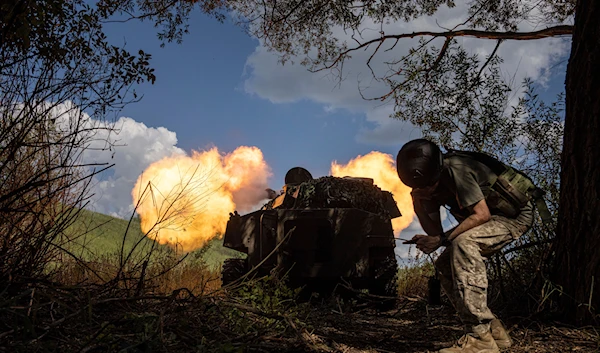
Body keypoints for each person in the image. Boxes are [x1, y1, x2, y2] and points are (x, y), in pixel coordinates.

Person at [396, 139, 534, 353]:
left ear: (437, 171)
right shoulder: (426, 187)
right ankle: (494, 332)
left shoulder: (457, 170)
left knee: (463, 243)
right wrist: (419, 203)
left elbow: (482, 215)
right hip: (491, 220)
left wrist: (441, 240)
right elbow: (436, 234)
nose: (425, 189)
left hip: (514, 217)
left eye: (426, 185)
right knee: (444, 263)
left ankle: (479, 338)